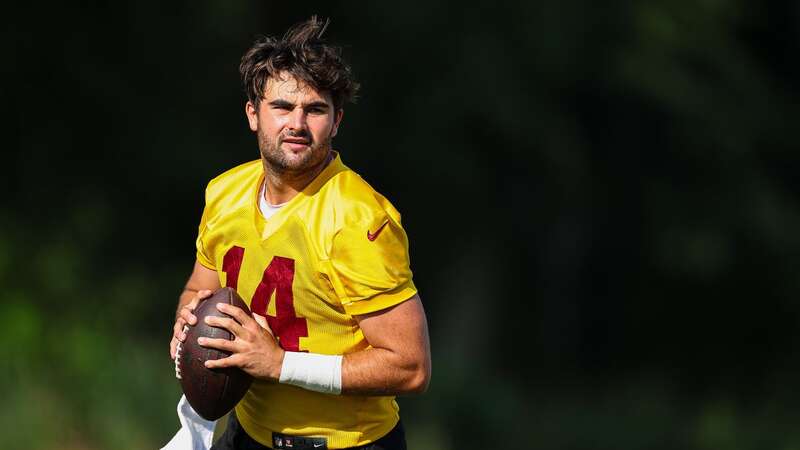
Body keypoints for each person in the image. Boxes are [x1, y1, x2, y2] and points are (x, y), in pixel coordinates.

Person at [168, 16, 431, 450]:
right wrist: (187, 323)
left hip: (349, 443)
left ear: (337, 120)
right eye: (282, 107)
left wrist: (280, 364)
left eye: (315, 109)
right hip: (247, 435)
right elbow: (201, 287)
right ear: (253, 114)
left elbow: (411, 367)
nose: (297, 123)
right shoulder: (224, 192)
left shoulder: (358, 218)